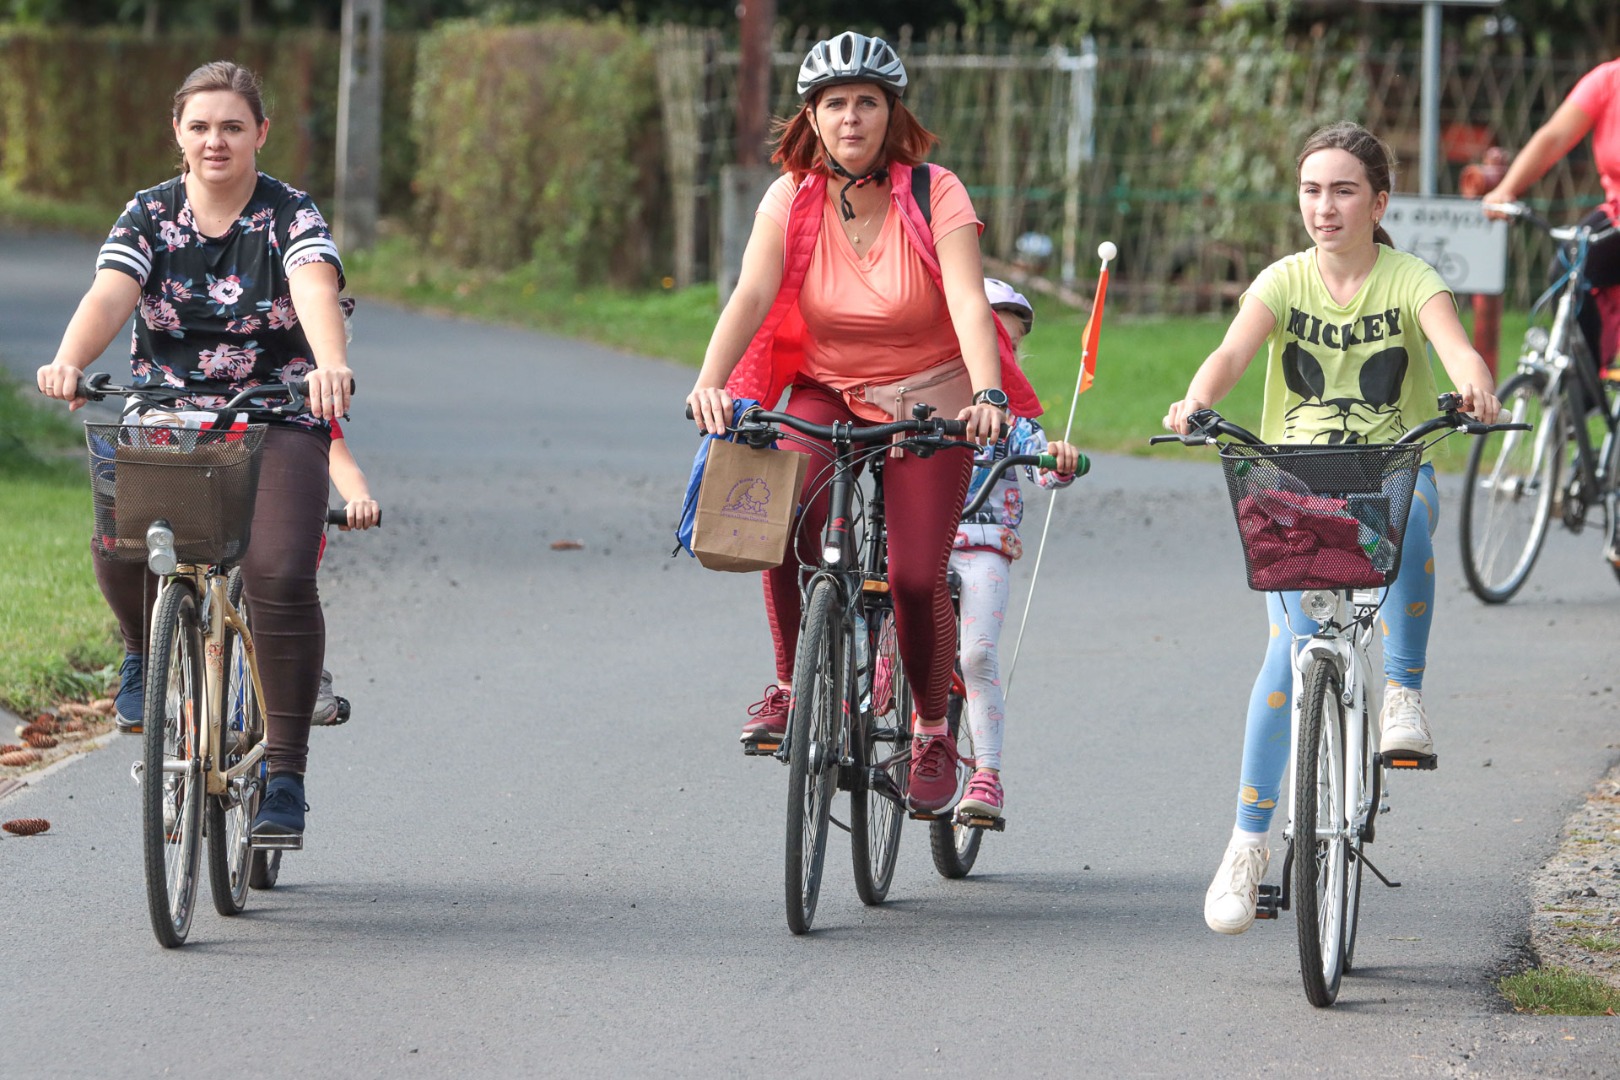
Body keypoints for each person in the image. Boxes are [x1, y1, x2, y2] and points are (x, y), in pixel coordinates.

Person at [685, 31, 1042, 813]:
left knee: (916, 577)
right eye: (835, 103)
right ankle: (788, 685)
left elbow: (964, 302)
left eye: (867, 103)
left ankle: (934, 728)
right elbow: (750, 297)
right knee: (773, 518)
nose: (851, 118)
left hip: (932, 393)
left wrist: (987, 396)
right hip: (827, 385)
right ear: (812, 116)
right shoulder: (791, 196)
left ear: (891, 112)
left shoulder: (935, 191)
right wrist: (709, 384)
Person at [1163, 122, 1501, 935]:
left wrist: (1476, 390)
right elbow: (1230, 355)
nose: (1325, 206)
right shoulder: (1283, 281)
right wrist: (1194, 401)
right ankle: (1248, 843)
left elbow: (1457, 352)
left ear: (1378, 201)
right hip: (1296, 483)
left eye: (1344, 189)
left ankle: (1403, 696)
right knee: (1284, 659)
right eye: (1312, 189)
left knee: (1414, 512)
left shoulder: (1409, 278)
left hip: (1389, 472)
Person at [36, 61, 353, 847]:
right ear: (178, 133)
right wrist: (71, 358)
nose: (216, 141)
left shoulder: (289, 213)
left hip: (276, 412)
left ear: (260, 134)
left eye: (233, 127)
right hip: (169, 414)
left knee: (279, 572)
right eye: (201, 126)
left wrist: (329, 364)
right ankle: (145, 651)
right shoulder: (149, 215)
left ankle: (284, 776)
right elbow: (111, 292)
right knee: (120, 542)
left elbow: (313, 282)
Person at [951, 279, 1080, 821]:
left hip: (981, 545)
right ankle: (864, 696)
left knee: (977, 654)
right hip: (914, 540)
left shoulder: (1014, 423)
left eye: (1007, 345)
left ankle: (986, 775)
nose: (995, 354)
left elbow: (1040, 469)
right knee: (870, 603)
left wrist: (1057, 458)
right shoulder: (918, 403)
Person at [1482, 57, 1620, 379]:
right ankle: (1585, 374)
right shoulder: (1608, 80)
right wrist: (1507, 189)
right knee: (1568, 264)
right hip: (1615, 214)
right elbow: (1554, 137)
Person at [311, 419, 380, 726]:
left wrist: (358, 499)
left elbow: (339, 459)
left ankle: (308, 675)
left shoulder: (291, 397)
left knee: (287, 589)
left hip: (283, 524)